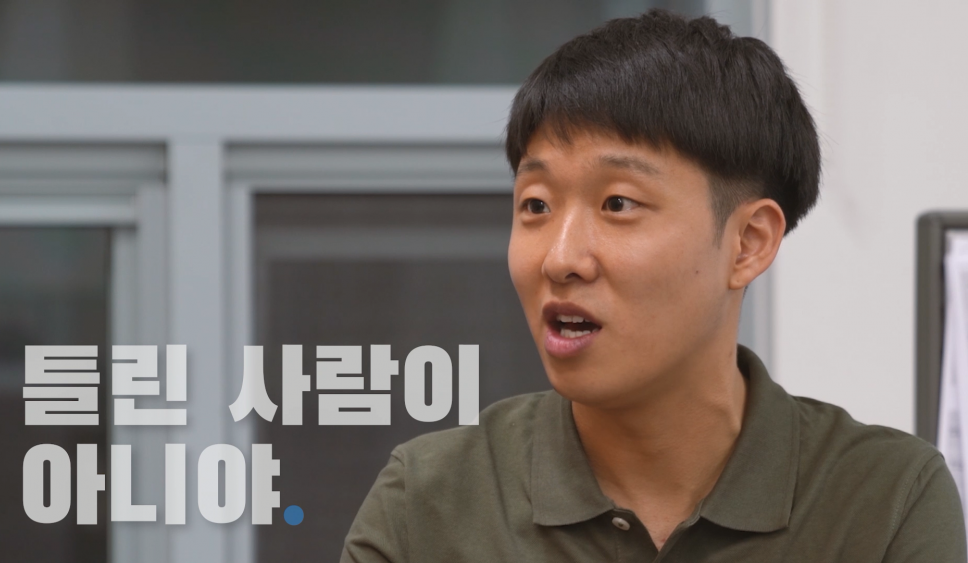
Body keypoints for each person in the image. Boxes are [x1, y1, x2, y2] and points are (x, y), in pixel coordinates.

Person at [340, 9, 966, 562]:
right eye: (536, 205)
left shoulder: (884, 502)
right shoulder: (428, 501)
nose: (560, 258)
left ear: (749, 243)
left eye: (618, 203)